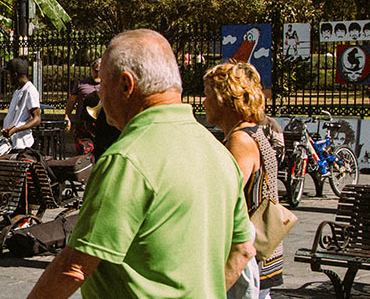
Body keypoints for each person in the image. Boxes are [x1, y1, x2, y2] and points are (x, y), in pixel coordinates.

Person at [26, 29, 254, 299]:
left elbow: (74, 267)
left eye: (104, 87)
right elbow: (243, 249)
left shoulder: (126, 159)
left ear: (126, 85)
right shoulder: (217, 151)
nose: (101, 98)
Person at [204, 62, 285, 298]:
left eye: (208, 94)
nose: (203, 102)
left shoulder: (240, 140)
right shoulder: (253, 132)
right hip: (262, 251)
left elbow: (226, 197)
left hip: (247, 253)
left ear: (225, 99)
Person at [0, 57, 41, 153]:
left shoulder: (30, 90)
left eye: (9, 74)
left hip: (22, 145)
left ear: (15, 75)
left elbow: (37, 119)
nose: (8, 78)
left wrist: (16, 130)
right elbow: (15, 120)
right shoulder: (18, 90)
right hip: (12, 142)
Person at [64, 58, 102, 155]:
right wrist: (67, 116)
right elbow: (71, 101)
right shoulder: (81, 84)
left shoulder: (109, 85)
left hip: (101, 125)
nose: (97, 74)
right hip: (83, 123)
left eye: (100, 71)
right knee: (84, 151)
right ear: (92, 69)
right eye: (95, 71)